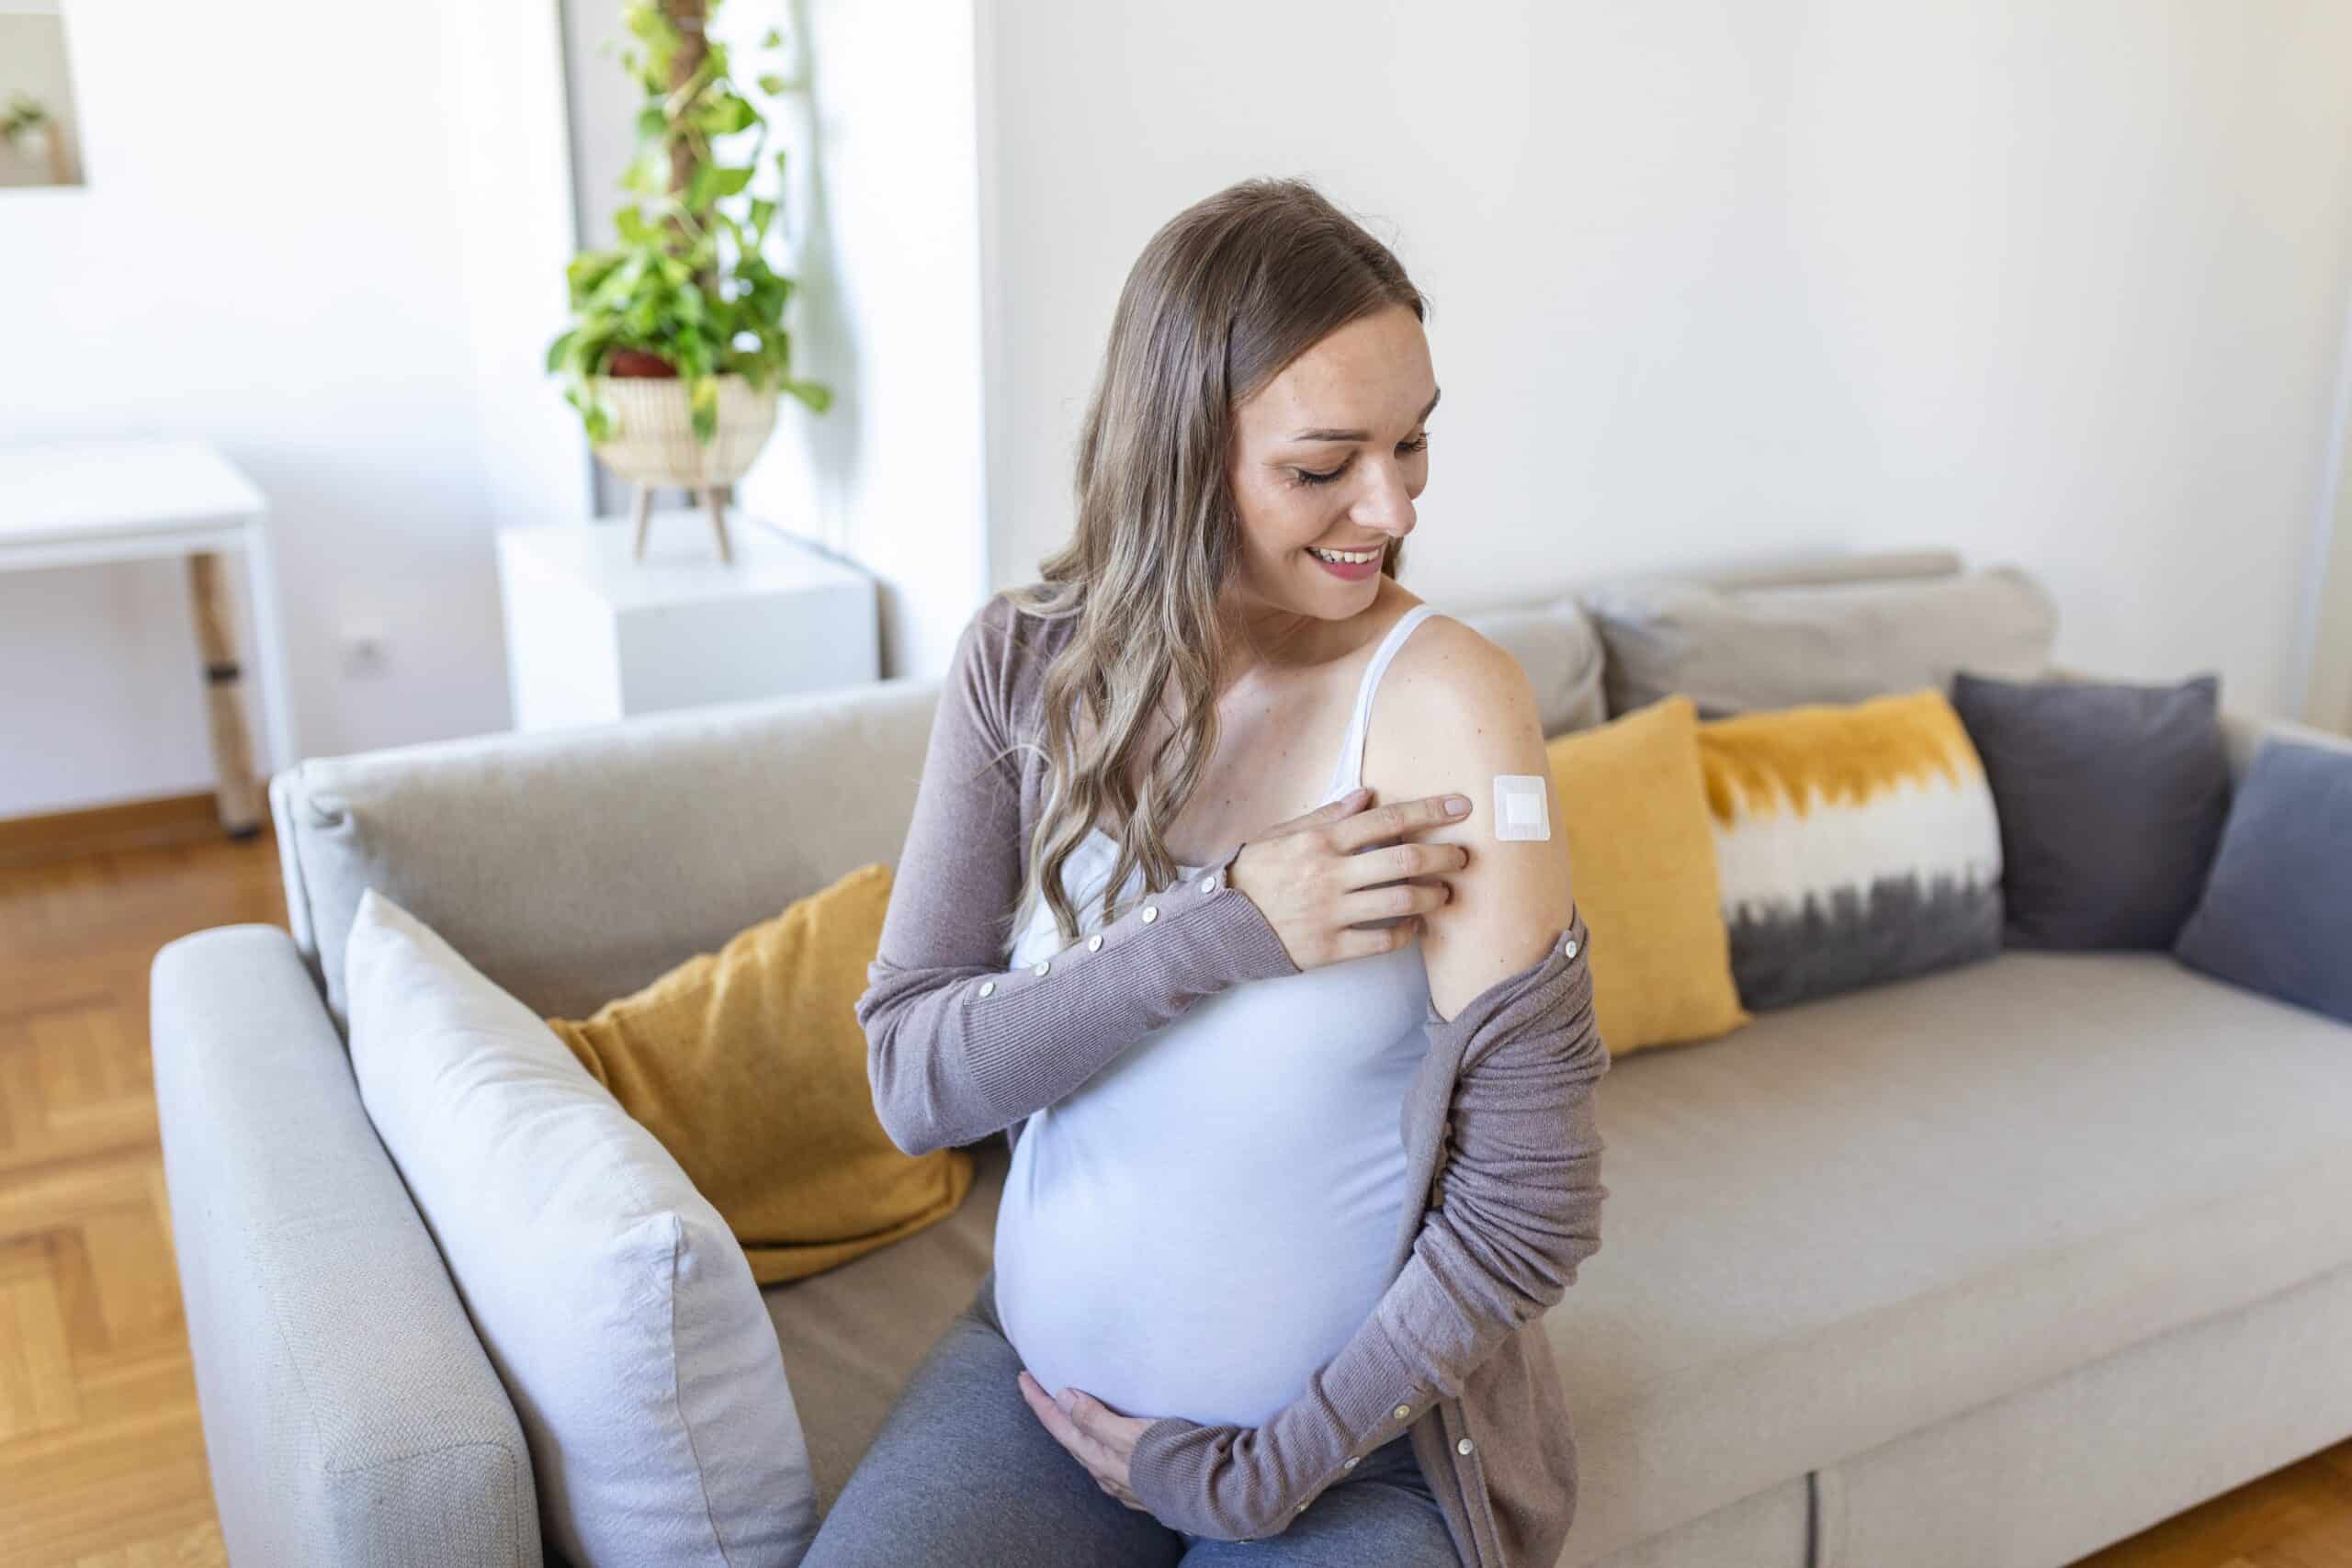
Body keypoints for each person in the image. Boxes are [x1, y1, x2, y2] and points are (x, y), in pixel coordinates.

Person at [816, 175, 1609, 1568]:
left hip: (1355, 1453)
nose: (1390, 506)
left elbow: (1531, 1204)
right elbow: (916, 1082)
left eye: (1413, 442)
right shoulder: (1024, 665)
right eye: (1324, 465)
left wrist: (1259, 1477)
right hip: (1040, 1394)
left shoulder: (1452, 706)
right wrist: (1222, 924)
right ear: (1182, 457)